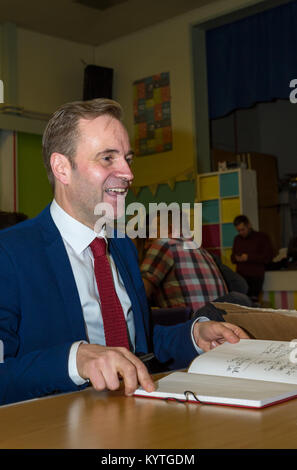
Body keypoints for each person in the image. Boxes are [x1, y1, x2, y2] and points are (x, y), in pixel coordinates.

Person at [0, 99, 248, 406]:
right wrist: (74, 360)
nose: (128, 173)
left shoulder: (121, 245)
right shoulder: (9, 253)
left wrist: (193, 336)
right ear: (62, 168)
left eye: (127, 159)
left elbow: (135, 341)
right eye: (107, 158)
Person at [140, 213, 251, 316]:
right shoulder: (202, 251)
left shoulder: (164, 244)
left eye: (153, 230)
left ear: (170, 228)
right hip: (218, 326)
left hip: (191, 328)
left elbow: (139, 292)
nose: (150, 237)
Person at [231, 215, 274, 303]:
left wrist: (248, 257)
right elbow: (232, 258)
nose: (241, 232)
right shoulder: (237, 239)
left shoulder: (262, 237)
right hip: (240, 277)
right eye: (238, 230)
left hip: (255, 277)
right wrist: (236, 258)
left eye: (243, 229)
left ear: (249, 225)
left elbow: (268, 257)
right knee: (240, 303)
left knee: (253, 303)